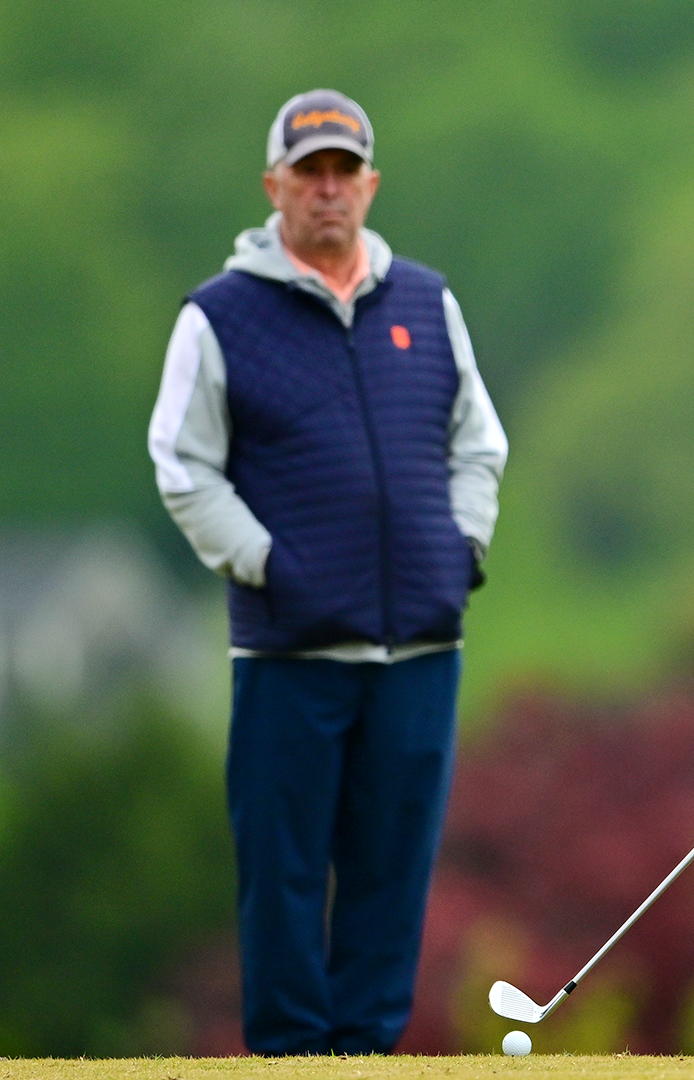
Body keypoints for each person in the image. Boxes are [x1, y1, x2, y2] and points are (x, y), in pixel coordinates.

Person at [145, 89, 508, 1055]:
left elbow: (479, 444)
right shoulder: (220, 315)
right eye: (310, 172)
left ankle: (365, 1054)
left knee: (393, 864)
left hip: (421, 643)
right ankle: (289, 1054)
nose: (329, 189)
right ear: (275, 186)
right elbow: (182, 464)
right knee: (286, 864)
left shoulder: (426, 302)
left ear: (371, 184)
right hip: (290, 646)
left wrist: (460, 546)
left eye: (346, 171)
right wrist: (266, 564)